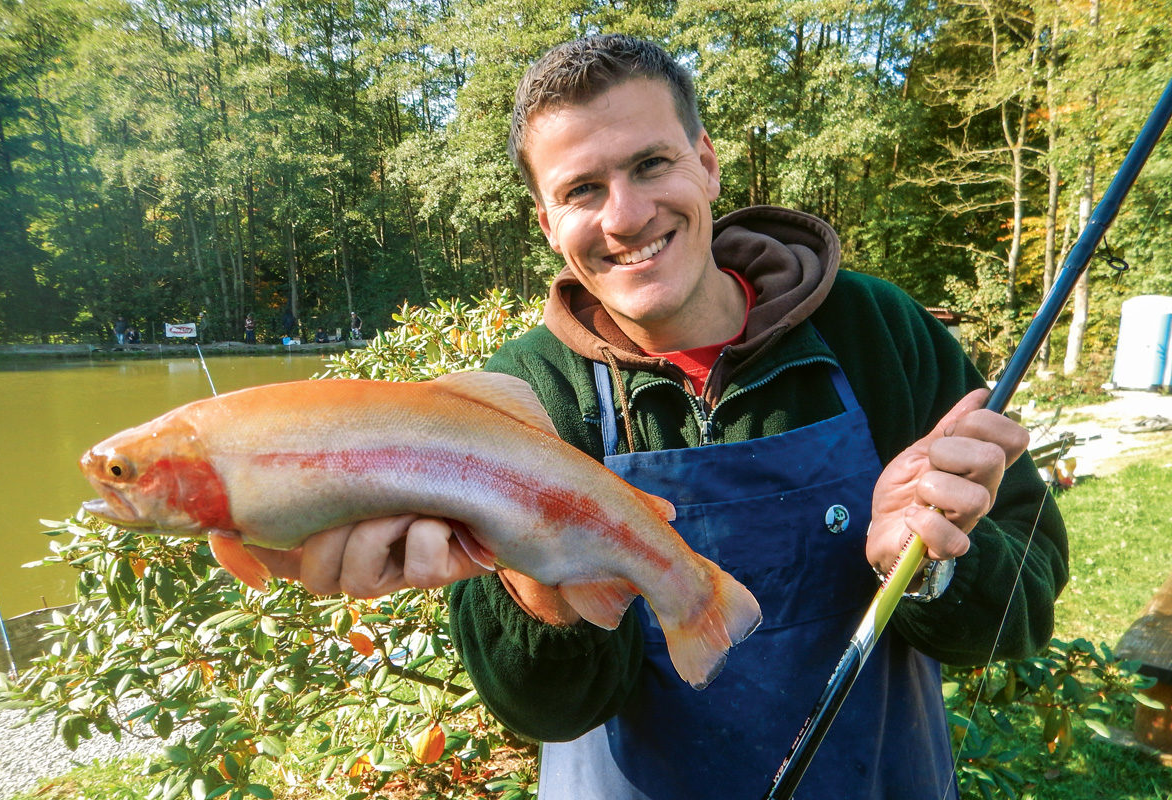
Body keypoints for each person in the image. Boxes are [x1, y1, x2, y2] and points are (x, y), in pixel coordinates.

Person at [251, 34, 1068, 800]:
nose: (625, 215)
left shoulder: (877, 332)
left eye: (651, 164)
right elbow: (543, 713)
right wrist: (545, 592)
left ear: (706, 163)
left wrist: (930, 562)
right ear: (547, 223)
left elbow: (1024, 608)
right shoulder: (517, 400)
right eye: (581, 190)